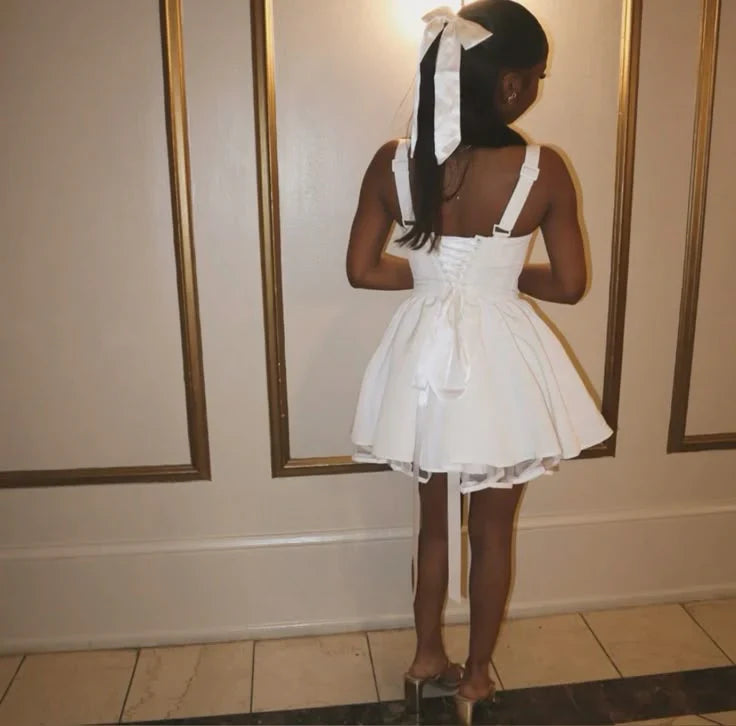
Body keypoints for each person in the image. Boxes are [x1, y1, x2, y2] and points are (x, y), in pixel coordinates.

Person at [346, 1, 612, 723]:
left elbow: (362, 270)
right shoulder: (543, 169)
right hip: (500, 365)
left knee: (432, 523)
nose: (538, 88)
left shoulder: (393, 161)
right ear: (510, 86)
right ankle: (478, 674)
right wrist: (497, 278)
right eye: (538, 76)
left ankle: (425, 653)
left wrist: (434, 278)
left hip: (424, 358)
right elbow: (570, 284)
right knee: (492, 531)